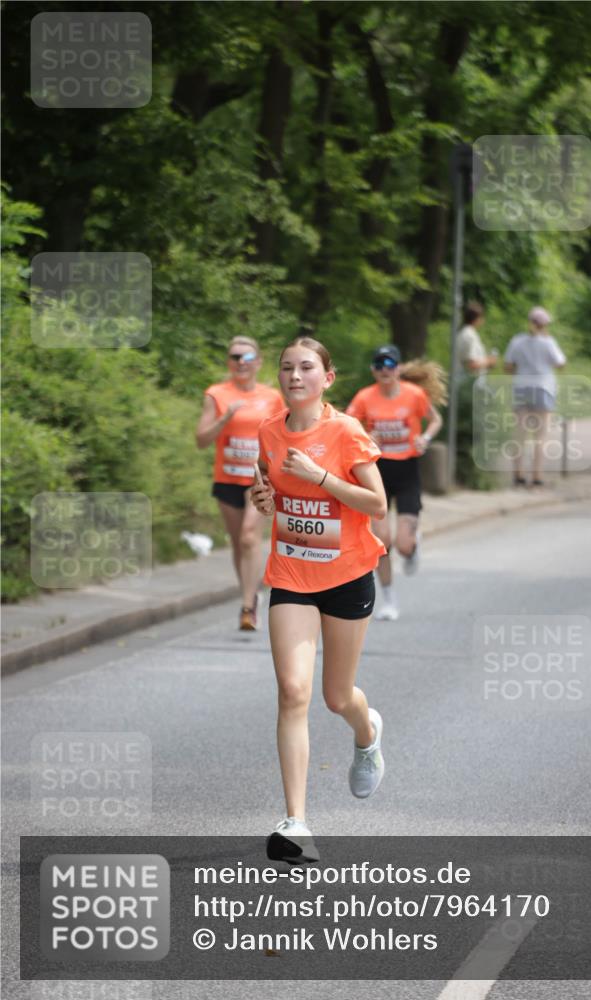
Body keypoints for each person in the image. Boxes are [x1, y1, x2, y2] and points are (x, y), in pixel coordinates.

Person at [250, 336, 388, 863]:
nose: (294, 375)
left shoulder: (346, 432)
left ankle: (367, 730)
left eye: (306, 367)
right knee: (292, 691)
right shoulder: (269, 431)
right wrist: (263, 499)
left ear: (327, 378)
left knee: (336, 697)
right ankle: (296, 822)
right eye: (287, 367)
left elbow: (376, 504)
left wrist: (322, 477)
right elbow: (267, 490)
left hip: (347, 574)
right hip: (290, 572)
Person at [346, 345, 444, 622]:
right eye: (379, 364)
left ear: (399, 369)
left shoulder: (415, 395)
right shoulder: (365, 397)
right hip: (377, 473)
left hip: (408, 471)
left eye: (390, 364)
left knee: (402, 544)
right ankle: (388, 599)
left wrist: (424, 438)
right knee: (381, 542)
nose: (385, 369)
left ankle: (412, 545)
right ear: (373, 370)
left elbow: (436, 420)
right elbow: (347, 428)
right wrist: (366, 435)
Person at [195, 336, 284, 630]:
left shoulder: (271, 396)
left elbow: (283, 434)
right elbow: (201, 440)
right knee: (238, 543)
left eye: (246, 358)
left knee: (249, 536)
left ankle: (248, 607)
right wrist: (225, 418)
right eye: (235, 358)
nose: (240, 363)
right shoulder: (217, 394)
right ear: (228, 362)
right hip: (227, 478)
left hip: (259, 477)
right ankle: (252, 593)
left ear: (258, 362)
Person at [504, 307, 566, 487]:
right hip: (543, 388)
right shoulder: (549, 342)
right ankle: (537, 476)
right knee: (540, 435)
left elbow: (508, 367)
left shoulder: (517, 341)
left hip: (521, 387)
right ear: (545, 324)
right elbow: (561, 364)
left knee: (520, 434)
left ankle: (518, 474)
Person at [455, 301, 498, 383]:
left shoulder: (463, 332)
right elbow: (472, 365)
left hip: (464, 381)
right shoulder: (470, 335)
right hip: (469, 384)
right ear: (477, 318)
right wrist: (489, 361)